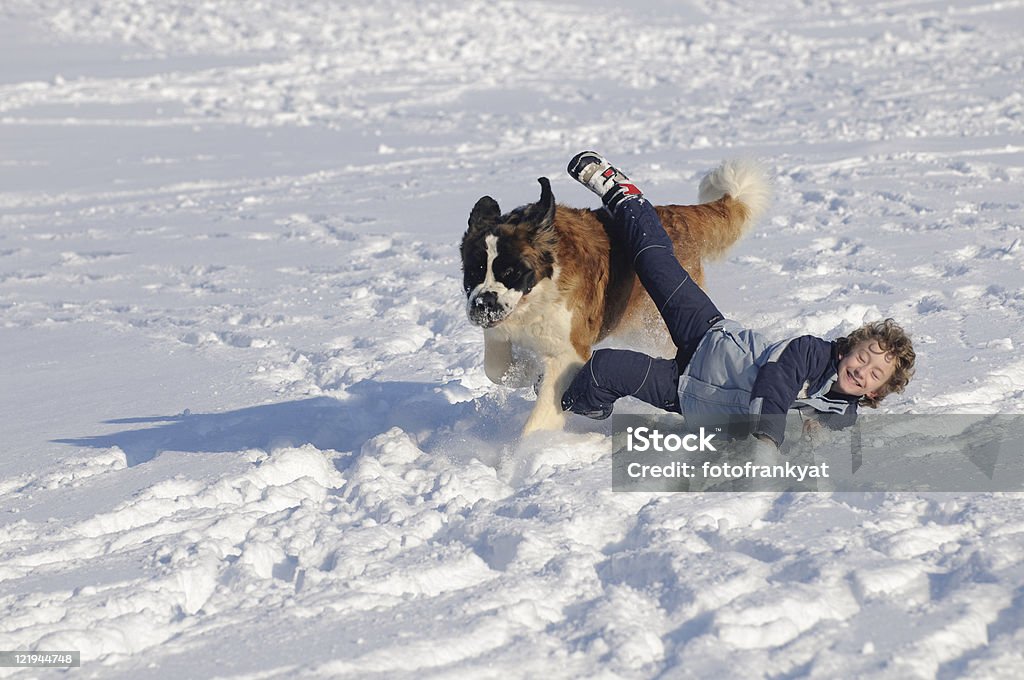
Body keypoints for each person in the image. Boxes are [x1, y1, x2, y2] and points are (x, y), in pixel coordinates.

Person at [560, 151, 916, 449]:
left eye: (874, 373)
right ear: (848, 348)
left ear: (875, 393)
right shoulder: (810, 353)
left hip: (686, 394)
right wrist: (767, 439)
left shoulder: (841, 416)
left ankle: (573, 406)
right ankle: (624, 195)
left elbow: (817, 449)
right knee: (655, 263)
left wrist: (808, 439)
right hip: (709, 336)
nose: (862, 369)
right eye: (864, 356)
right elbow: (775, 384)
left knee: (603, 369)